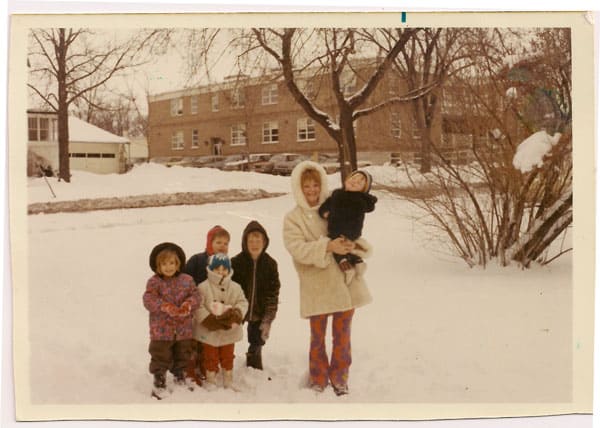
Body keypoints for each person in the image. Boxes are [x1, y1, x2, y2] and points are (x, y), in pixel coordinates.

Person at [283, 160, 373, 396]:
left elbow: (352, 230)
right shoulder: (293, 218)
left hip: (344, 283)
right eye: (306, 186)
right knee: (318, 337)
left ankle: (340, 377)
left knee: (343, 335)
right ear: (298, 188)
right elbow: (297, 249)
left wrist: (352, 245)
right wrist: (328, 246)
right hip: (317, 285)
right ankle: (318, 377)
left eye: (315, 185)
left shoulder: (334, 205)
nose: (312, 190)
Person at [143, 242, 201, 399]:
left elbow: (196, 296)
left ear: (178, 264)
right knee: (160, 355)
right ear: (158, 266)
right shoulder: (154, 282)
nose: (168, 267)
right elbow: (148, 299)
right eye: (164, 263)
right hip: (161, 330)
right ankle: (159, 380)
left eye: (172, 263)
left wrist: (188, 304)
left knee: (182, 353)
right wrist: (164, 306)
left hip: (183, 329)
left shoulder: (187, 280)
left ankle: (179, 375)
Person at [182, 225, 231, 385]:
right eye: (218, 242)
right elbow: (185, 280)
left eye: (225, 243)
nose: (222, 246)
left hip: (215, 310)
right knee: (193, 340)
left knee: (208, 341)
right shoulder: (197, 260)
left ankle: (205, 368)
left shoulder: (227, 264)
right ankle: (189, 369)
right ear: (210, 242)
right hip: (196, 308)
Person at [193, 253, 248, 389]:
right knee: (210, 355)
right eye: (218, 269)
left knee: (228, 355)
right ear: (211, 269)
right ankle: (211, 379)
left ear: (229, 270)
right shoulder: (203, 287)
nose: (221, 272)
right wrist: (207, 319)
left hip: (229, 330)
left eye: (224, 269)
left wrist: (237, 314)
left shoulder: (235, 287)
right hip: (209, 331)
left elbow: (242, 302)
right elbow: (198, 306)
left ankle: (228, 379)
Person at [231, 220, 281, 370]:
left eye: (258, 240)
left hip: (259, 310)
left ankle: (254, 354)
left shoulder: (270, 264)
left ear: (264, 242)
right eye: (250, 240)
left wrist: (268, 318)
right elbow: (230, 289)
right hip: (239, 309)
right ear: (244, 242)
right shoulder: (236, 262)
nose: (254, 244)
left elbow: (273, 292)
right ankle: (225, 358)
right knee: (229, 334)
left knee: (257, 336)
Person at [318, 170, 377, 280]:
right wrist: (324, 212)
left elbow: (349, 213)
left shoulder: (358, 199)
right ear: (347, 179)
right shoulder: (337, 194)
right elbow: (328, 204)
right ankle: (358, 262)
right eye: (353, 178)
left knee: (337, 250)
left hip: (348, 230)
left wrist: (333, 216)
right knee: (345, 249)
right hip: (339, 228)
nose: (355, 182)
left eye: (359, 182)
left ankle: (347, 268)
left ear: (363, 190)